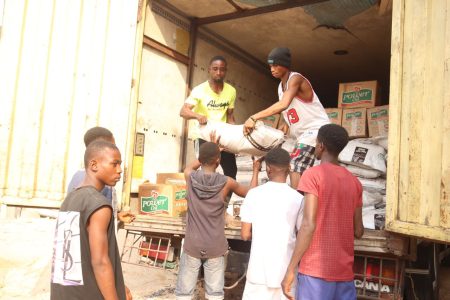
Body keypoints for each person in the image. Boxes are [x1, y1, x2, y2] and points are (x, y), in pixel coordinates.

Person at [281, 124, 364, 300]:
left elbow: (308, 224)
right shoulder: (355, 182)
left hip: (315, 271)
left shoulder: (313, 175)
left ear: (321, 146)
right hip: (344, 274)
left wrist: (290, 269)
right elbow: (358, 231)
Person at [175, 141, 261, 300]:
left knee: (184, 294)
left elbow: (188, 168)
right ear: (218, 161)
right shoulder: (227, 182)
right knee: (215, 294)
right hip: (215, 246)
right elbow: (252, 194)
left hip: (192, 245)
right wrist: (255, 170)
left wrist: (210, 149)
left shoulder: (191, 177)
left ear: (201, 159)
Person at [51, 140, 132, 300]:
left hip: (64, 293)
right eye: (114, 164)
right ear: (94, 165)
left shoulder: (70, 199)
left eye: (120, 164)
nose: (120, 170)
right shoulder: (99, 205)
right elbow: (100, 262)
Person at [243, 47, 330, 189]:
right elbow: (288, 110)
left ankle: (297, 204)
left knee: (295, 165)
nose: (272, 69)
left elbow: (284, 104)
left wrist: (254, 117)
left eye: (276, 65)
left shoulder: (295, 79)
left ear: (285, 64)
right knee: (301, 169)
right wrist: (285, 125)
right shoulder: (280, 87)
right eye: (270, 65)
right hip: (302, 134)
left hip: (316, 130)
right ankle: (305, 200)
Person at [240, 147, 303, 300]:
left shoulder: (253, 195)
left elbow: (245, 234)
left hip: (257, 274)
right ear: (289, 168)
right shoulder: (299, 198)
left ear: (268, 169)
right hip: (286, 275)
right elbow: (303, 235)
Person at [180, 55, 237, 180]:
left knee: (231, 170)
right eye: (215, 69)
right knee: (207, 170)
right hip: (203, 135)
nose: (218, 72)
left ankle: (224, 199)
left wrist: (235, 136)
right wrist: (197, 115)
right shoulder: (199, 90)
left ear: (225, 71)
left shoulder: (231, 91)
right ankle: (204, 198)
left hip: (222, 136)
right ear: (209, 70)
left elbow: (230, 116)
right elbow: (183, 111)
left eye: (222, 69)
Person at [67, 126, 134, 225]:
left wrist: (117, 216)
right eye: (112, 146)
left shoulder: (97, 179)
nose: (119, 170)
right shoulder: (87, 182)